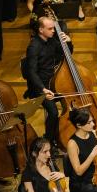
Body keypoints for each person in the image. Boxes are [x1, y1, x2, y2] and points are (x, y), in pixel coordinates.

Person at [20, 14, 68, 145]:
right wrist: (43, 89)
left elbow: (66, 54)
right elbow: (31, 72)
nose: (54, 31)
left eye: (53, 28)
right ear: (41, 30)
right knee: (53, 112)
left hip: (54, 83)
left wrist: (67, 42)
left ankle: (63, 134)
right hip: (39, 87)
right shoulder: (33, 47)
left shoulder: (52, 40)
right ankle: (49, 140)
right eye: (50, 28)